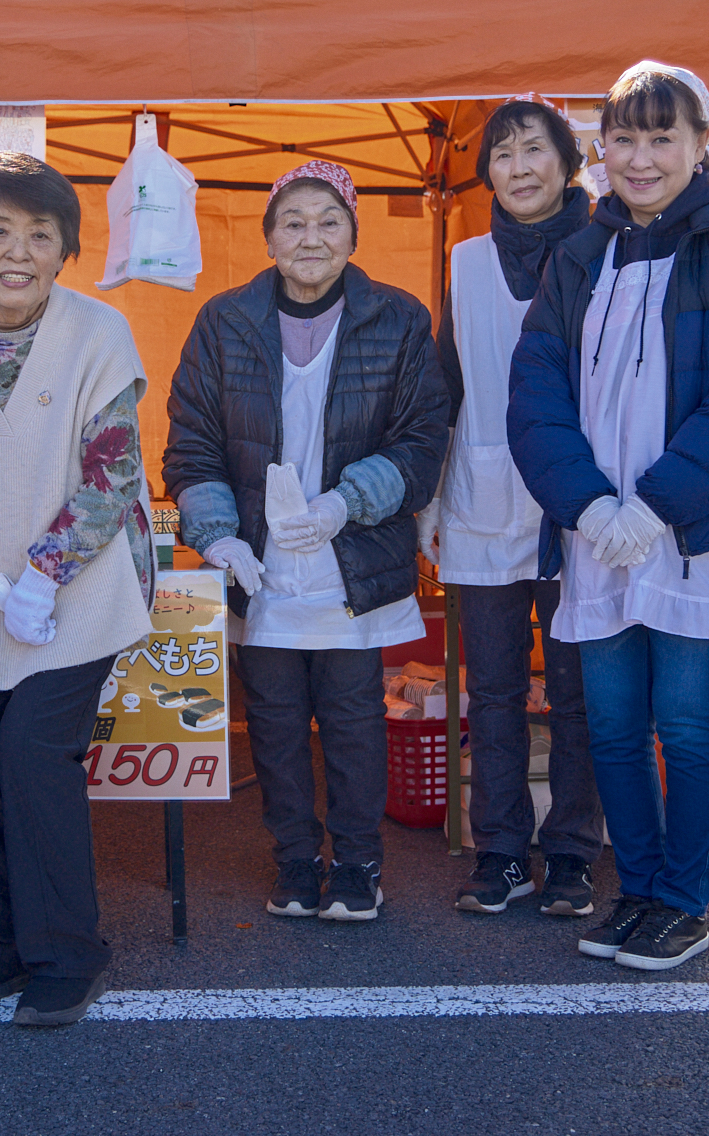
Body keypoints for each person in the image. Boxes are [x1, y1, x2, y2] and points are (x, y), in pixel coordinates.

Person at [507, 63, 709, 972]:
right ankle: (636, 888)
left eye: (663, 136)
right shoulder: (580, 253)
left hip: (696, 532)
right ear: (601, 149)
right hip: (599, 532)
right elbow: (535, 392)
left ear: (703, 145)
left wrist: (657, 501)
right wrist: (589, 502)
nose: (641, 157)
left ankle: (682, 898)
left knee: (687, 719)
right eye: (624, 138)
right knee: (612, 722)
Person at [165, 161, 450, 923]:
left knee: (353, 715)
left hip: (353, 559)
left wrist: (345, 502)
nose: (310, 236)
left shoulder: (398, 318)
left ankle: (358, 864)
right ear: (268, 237)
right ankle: (294, 858)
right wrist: (218, 536)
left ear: (354, 233)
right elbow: (191, 444)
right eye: (293, 220)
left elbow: (423, 442)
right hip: (258, 565)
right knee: (277, 716)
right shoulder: (223, 322)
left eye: (328, 219)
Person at [0, 152, 153, 1027]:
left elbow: (113, 476)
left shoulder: (100, 331)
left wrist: (44, 574)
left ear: (66, 249)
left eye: (40, 235)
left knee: (30, 754)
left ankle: (69, 952)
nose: (17, 251)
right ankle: (8, 937)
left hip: (78, 593)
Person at [417, 101, 603, 917]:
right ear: (484, 172)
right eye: (503, 153)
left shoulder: (611, 249)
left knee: (578, 691)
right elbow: (443, 389)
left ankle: (571, 850)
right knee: (491, 690)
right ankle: (500, 849)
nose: (519, 166)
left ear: (569, 164)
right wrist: (425, 498)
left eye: (536, 150)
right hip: (484, 496)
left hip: (582, 508)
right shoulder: (464, 261)